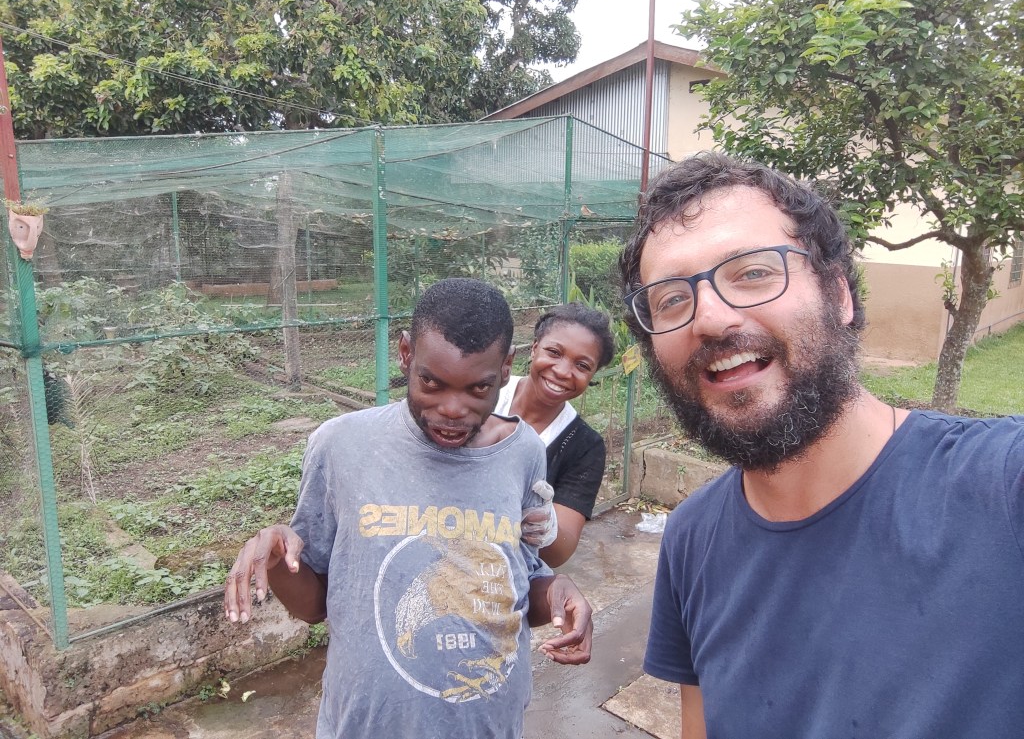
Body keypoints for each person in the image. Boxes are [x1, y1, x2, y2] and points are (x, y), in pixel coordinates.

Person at [619, 151, 1024, 739]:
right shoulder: (690, 540)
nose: (708, 316)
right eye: (672, 299)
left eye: (752, 272)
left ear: (839, 294)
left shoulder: (1000, 486)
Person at [223, 277, 594, 739]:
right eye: (431, 383)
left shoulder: (524, 453)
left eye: (477, 389)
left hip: (486, 723)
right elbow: (316, 606)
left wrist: (556, 591)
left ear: (505, 370)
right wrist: (280, 560)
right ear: (404, 355)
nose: (452, 409)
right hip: (365, 724)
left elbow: (513, 583)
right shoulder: (341, 444)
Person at [494, 302, 615, 566]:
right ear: (535, 347)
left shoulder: (584, 446)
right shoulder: (486, 393)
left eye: (582, 366)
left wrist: (543, 524)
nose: (562, 371)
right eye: (554, 352)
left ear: (593, 374)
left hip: (511, 573)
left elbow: (561, 551)